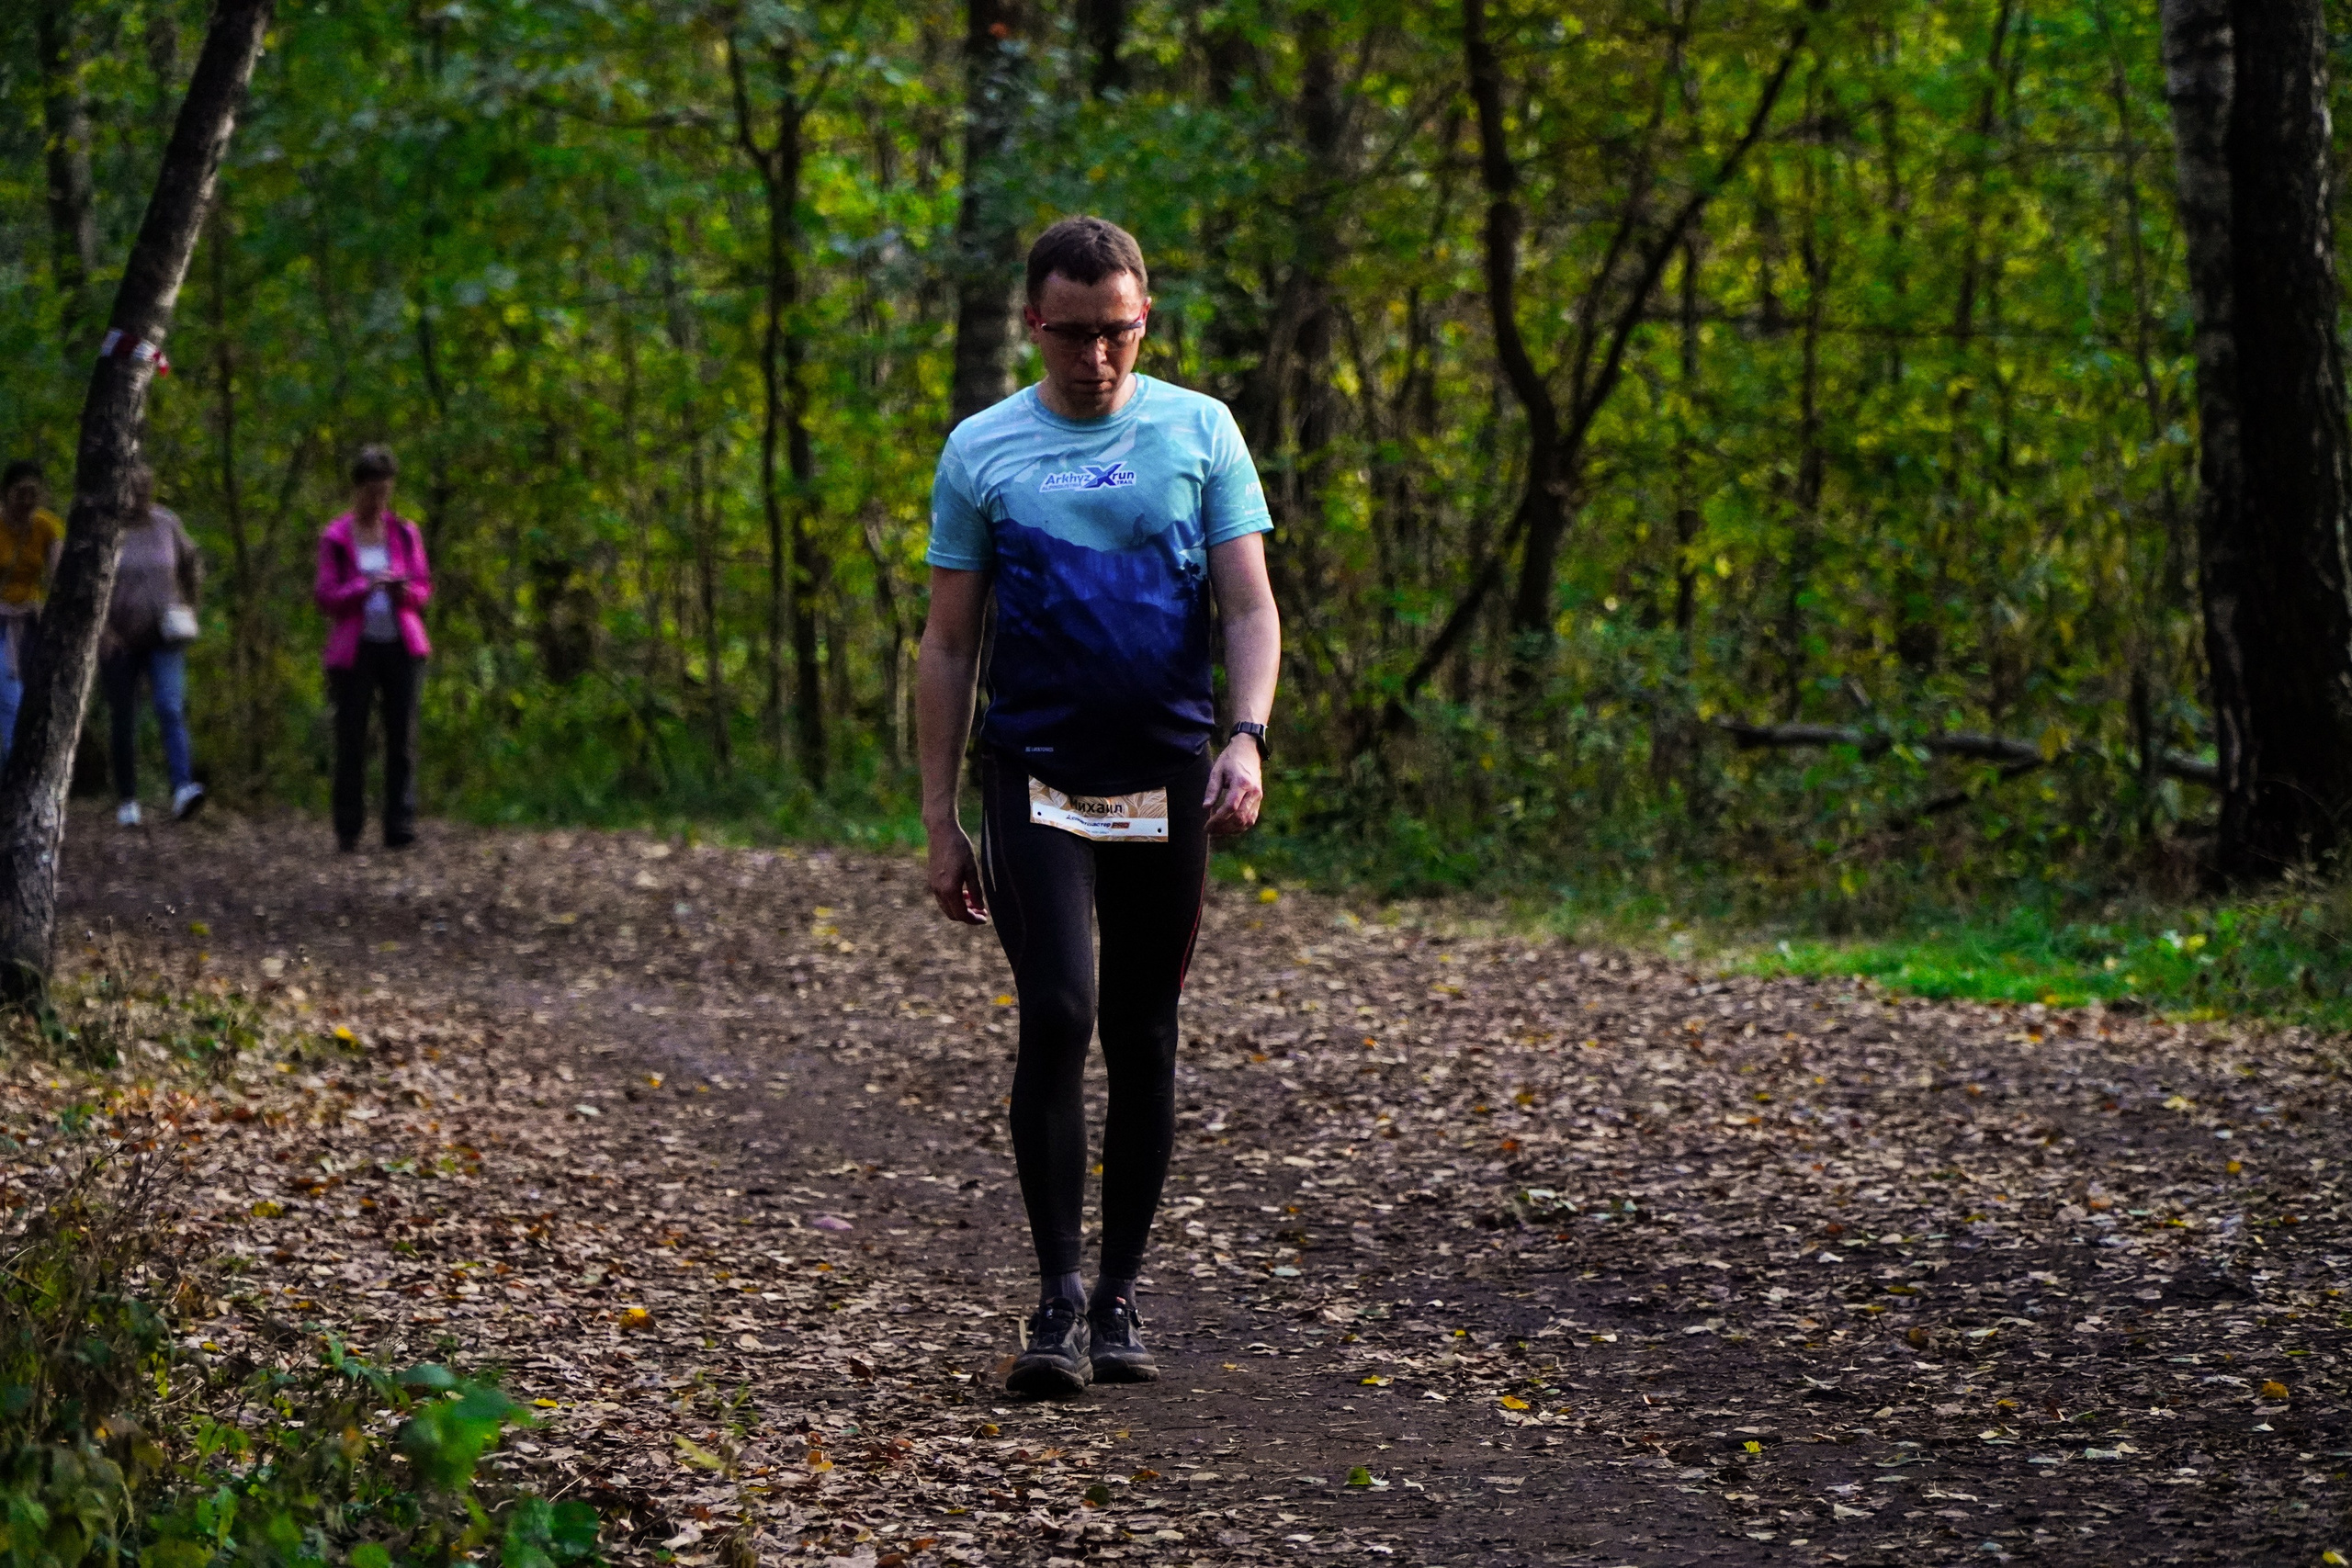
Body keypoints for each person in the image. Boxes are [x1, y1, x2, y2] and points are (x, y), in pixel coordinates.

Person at [918, 215, 1282, 1397]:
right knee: (1059, 1012)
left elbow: (1247, 610)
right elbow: (947, 640)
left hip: (1169, 774)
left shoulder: (1200, 431)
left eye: (1116, 333)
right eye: (1072, 335)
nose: (1096, 358)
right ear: (1035, 325)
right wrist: (936, 818)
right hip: (1033, 774)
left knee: (1142, 1030)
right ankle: (1056, 1297)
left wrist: (1246, 736)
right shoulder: (983, 449)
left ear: (1144, 321)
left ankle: (1120, 1296)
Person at [315, 445, 432, 852]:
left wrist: (402, 591)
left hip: (401, 644)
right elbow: (326, 595)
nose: (378, 500)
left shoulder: (404, 533)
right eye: (371, 492)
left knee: (402, 736)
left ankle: (400, 823)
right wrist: (364, 587)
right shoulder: (336, 537)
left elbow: (422, 587)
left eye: (385, 492)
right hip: (354, 648)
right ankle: (348, 825)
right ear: (357, 490)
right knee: (352, 737)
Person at [99, 466, 205, 825]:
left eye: (145, 486)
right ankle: (127, 798)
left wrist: (190, 605)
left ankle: (183, 788)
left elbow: (192, 562)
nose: (140, 494)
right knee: (124, 716)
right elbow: (89, 584)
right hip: (119, 638)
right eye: (132, 487)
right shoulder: (107, 528)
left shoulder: (167, 524)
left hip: (165, 636)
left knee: (170, 706)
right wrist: (103, 631)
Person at [0, 460, 64, 763]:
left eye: (33, 494)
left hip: (30, 620)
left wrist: (51, 607)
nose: (27, 501)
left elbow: (58, 576)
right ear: (6, 493)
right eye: (20, 493)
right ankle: (13, 769)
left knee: (34, 698)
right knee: (9, 696)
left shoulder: (47, 527)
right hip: (2, 621)